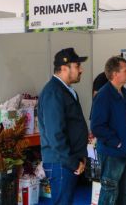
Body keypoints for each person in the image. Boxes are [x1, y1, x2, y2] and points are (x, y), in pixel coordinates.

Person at [38, 47, 89, 205]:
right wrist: (73, 162)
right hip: (61, 163)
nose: (81, 70)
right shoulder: (54, 92)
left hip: (66, 161)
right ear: (64, 68)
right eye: (77, 66)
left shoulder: (65, 90)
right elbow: (55, 135)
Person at [90, 56, 126, 205]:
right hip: (112, 153)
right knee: (110, 193)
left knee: (124, 195)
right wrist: (117, 143)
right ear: (115, 74)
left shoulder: (124, 93)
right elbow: (97, 127)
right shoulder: (104, 96)